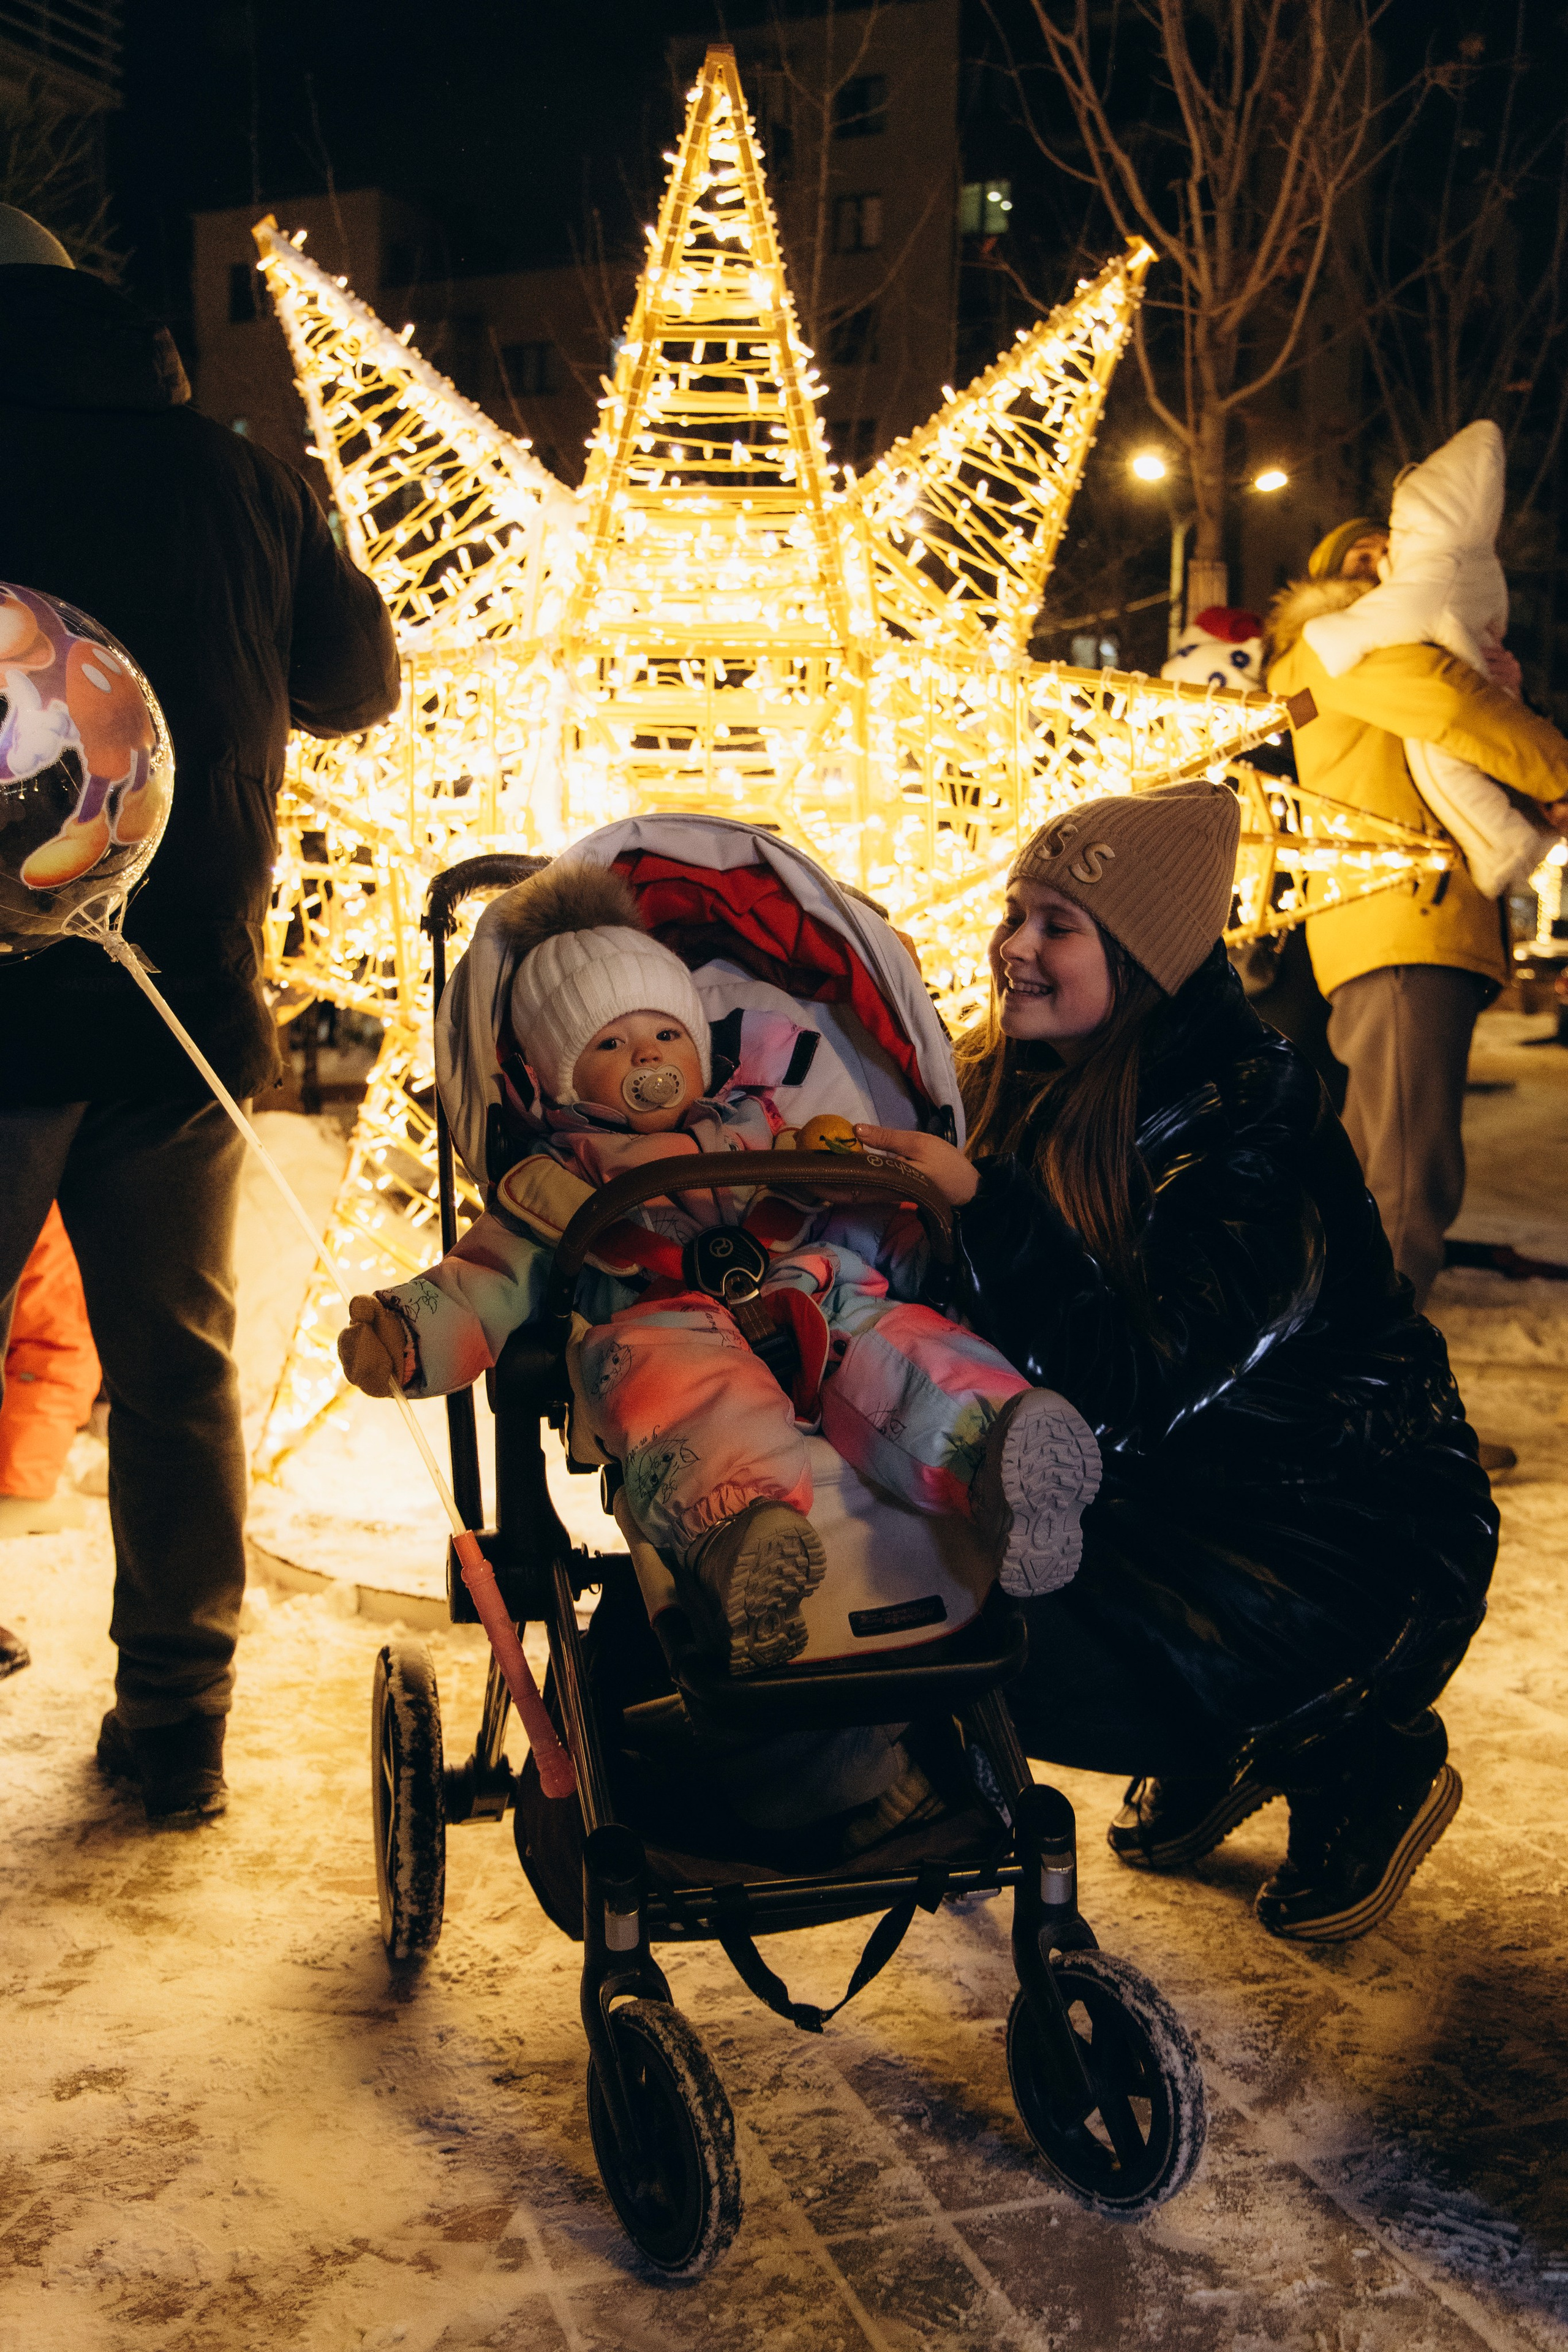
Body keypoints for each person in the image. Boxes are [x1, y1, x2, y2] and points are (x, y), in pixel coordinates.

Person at [859, 786, 1501, 1943]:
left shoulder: (1251, 1125)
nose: (1015, 949)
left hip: (1339, 1546)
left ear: (1144, 954)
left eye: (1060, 926)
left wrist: (979, 1207)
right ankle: (1226, 1728)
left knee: (995, 1640)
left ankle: (1349, 1747)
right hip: (1177, 1505)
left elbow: (1135, 1386)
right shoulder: (1012, 1077)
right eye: (1016, 913)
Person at [0, 206, 400, 1820]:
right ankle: (176, 1719)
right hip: (182, 1005)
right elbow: (355, 686)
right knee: (179, 1370)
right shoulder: (241, 472)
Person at [335, 862, 1096, 1676]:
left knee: (901, 1341)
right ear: (559, 1074)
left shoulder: (767, 1127)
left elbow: (853, 1219)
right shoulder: (556, 1183)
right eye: (611, 1044)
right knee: (684, 1399)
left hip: (807, 1294)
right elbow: (487, 1278)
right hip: (662, 1320)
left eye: (667, 1035)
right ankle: (746, 1537)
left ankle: (996, 1457)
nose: (648, 1055)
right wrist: (411, 1329)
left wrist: (910, 1239)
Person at [1264, 511, 1568, 1316]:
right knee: (1407, 1183)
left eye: (1391, 551)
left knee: (1383, 1174)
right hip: (1401, 922)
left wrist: (1502, 687)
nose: (1385, 564)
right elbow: (1446, 706)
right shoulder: (1341, 638)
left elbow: (1453, 741)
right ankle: (1370, 1416)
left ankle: (1363, 1402)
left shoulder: (1382, 647)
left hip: (1420, 922)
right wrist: (1558, 774)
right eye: (1363, 554)